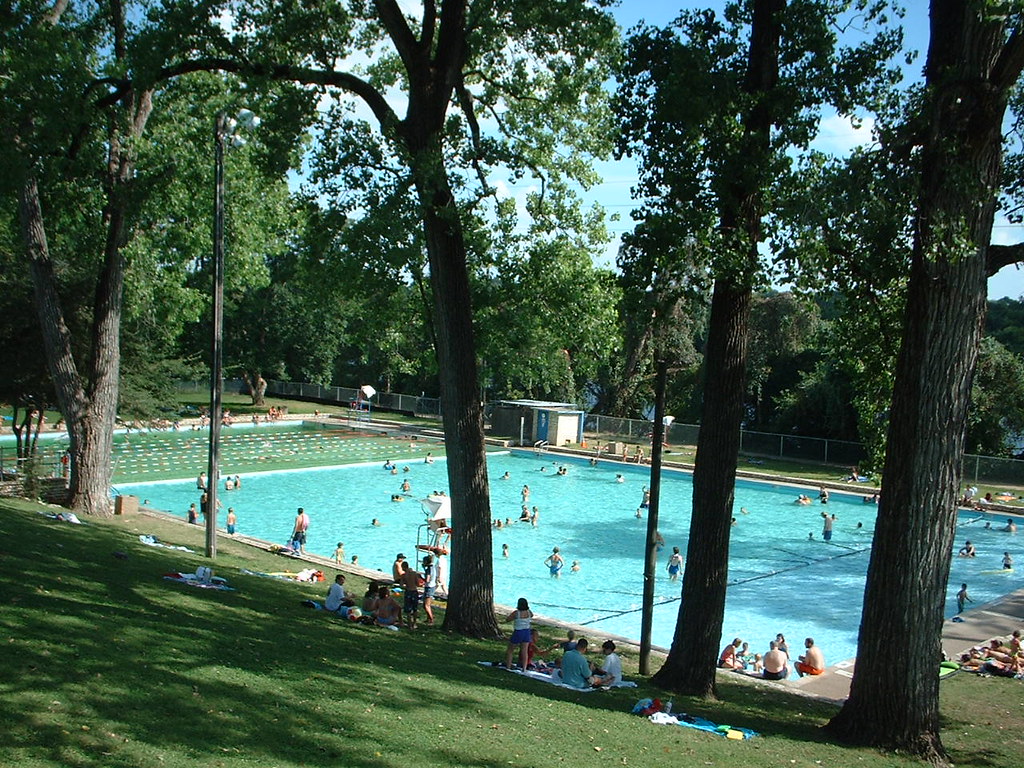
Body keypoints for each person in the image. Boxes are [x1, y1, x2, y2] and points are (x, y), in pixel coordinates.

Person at [504, 597, 533, 669]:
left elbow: (507, 619)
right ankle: (524, 668)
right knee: (524, 651)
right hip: (527, 632)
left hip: (518, 632)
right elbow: (532, 615)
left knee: (510, 650)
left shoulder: (517, 613)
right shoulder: (529, 612)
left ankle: (508, 666)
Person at [399, 560, 422, 629]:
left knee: (408, 609)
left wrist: (406, 586)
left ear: (403, 567)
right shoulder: (414, 573)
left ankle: (409, 624)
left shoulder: (403, 575)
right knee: (415, 609)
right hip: (414, 591)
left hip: (408, 592)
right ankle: (414, 623)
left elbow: (401, 585)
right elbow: (418, 584)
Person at [420, 554, 437, 625]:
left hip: (429, 587)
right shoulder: (433, 567)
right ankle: (428, 618)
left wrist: (420, 577)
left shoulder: (428, 569)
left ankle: (431, 619)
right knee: (426, 604)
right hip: (432, 586)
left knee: (426, 605)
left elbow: (427, 579)